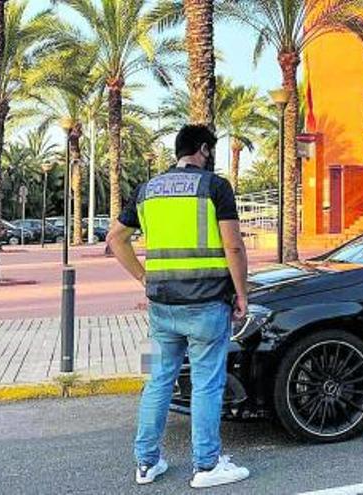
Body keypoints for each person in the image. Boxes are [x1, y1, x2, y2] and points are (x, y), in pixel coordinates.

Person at [107, 124, 251, 488]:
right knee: (206, 383)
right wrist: (242, 294)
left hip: (160, 308)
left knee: (157, 380)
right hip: (206, 305)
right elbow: (233, 247)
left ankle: (146, 463)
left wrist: (142, 277)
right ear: (203, 149)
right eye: (211, 151)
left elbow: (115, 239)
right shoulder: (215, 187)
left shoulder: (147, 191)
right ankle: (206, 466)